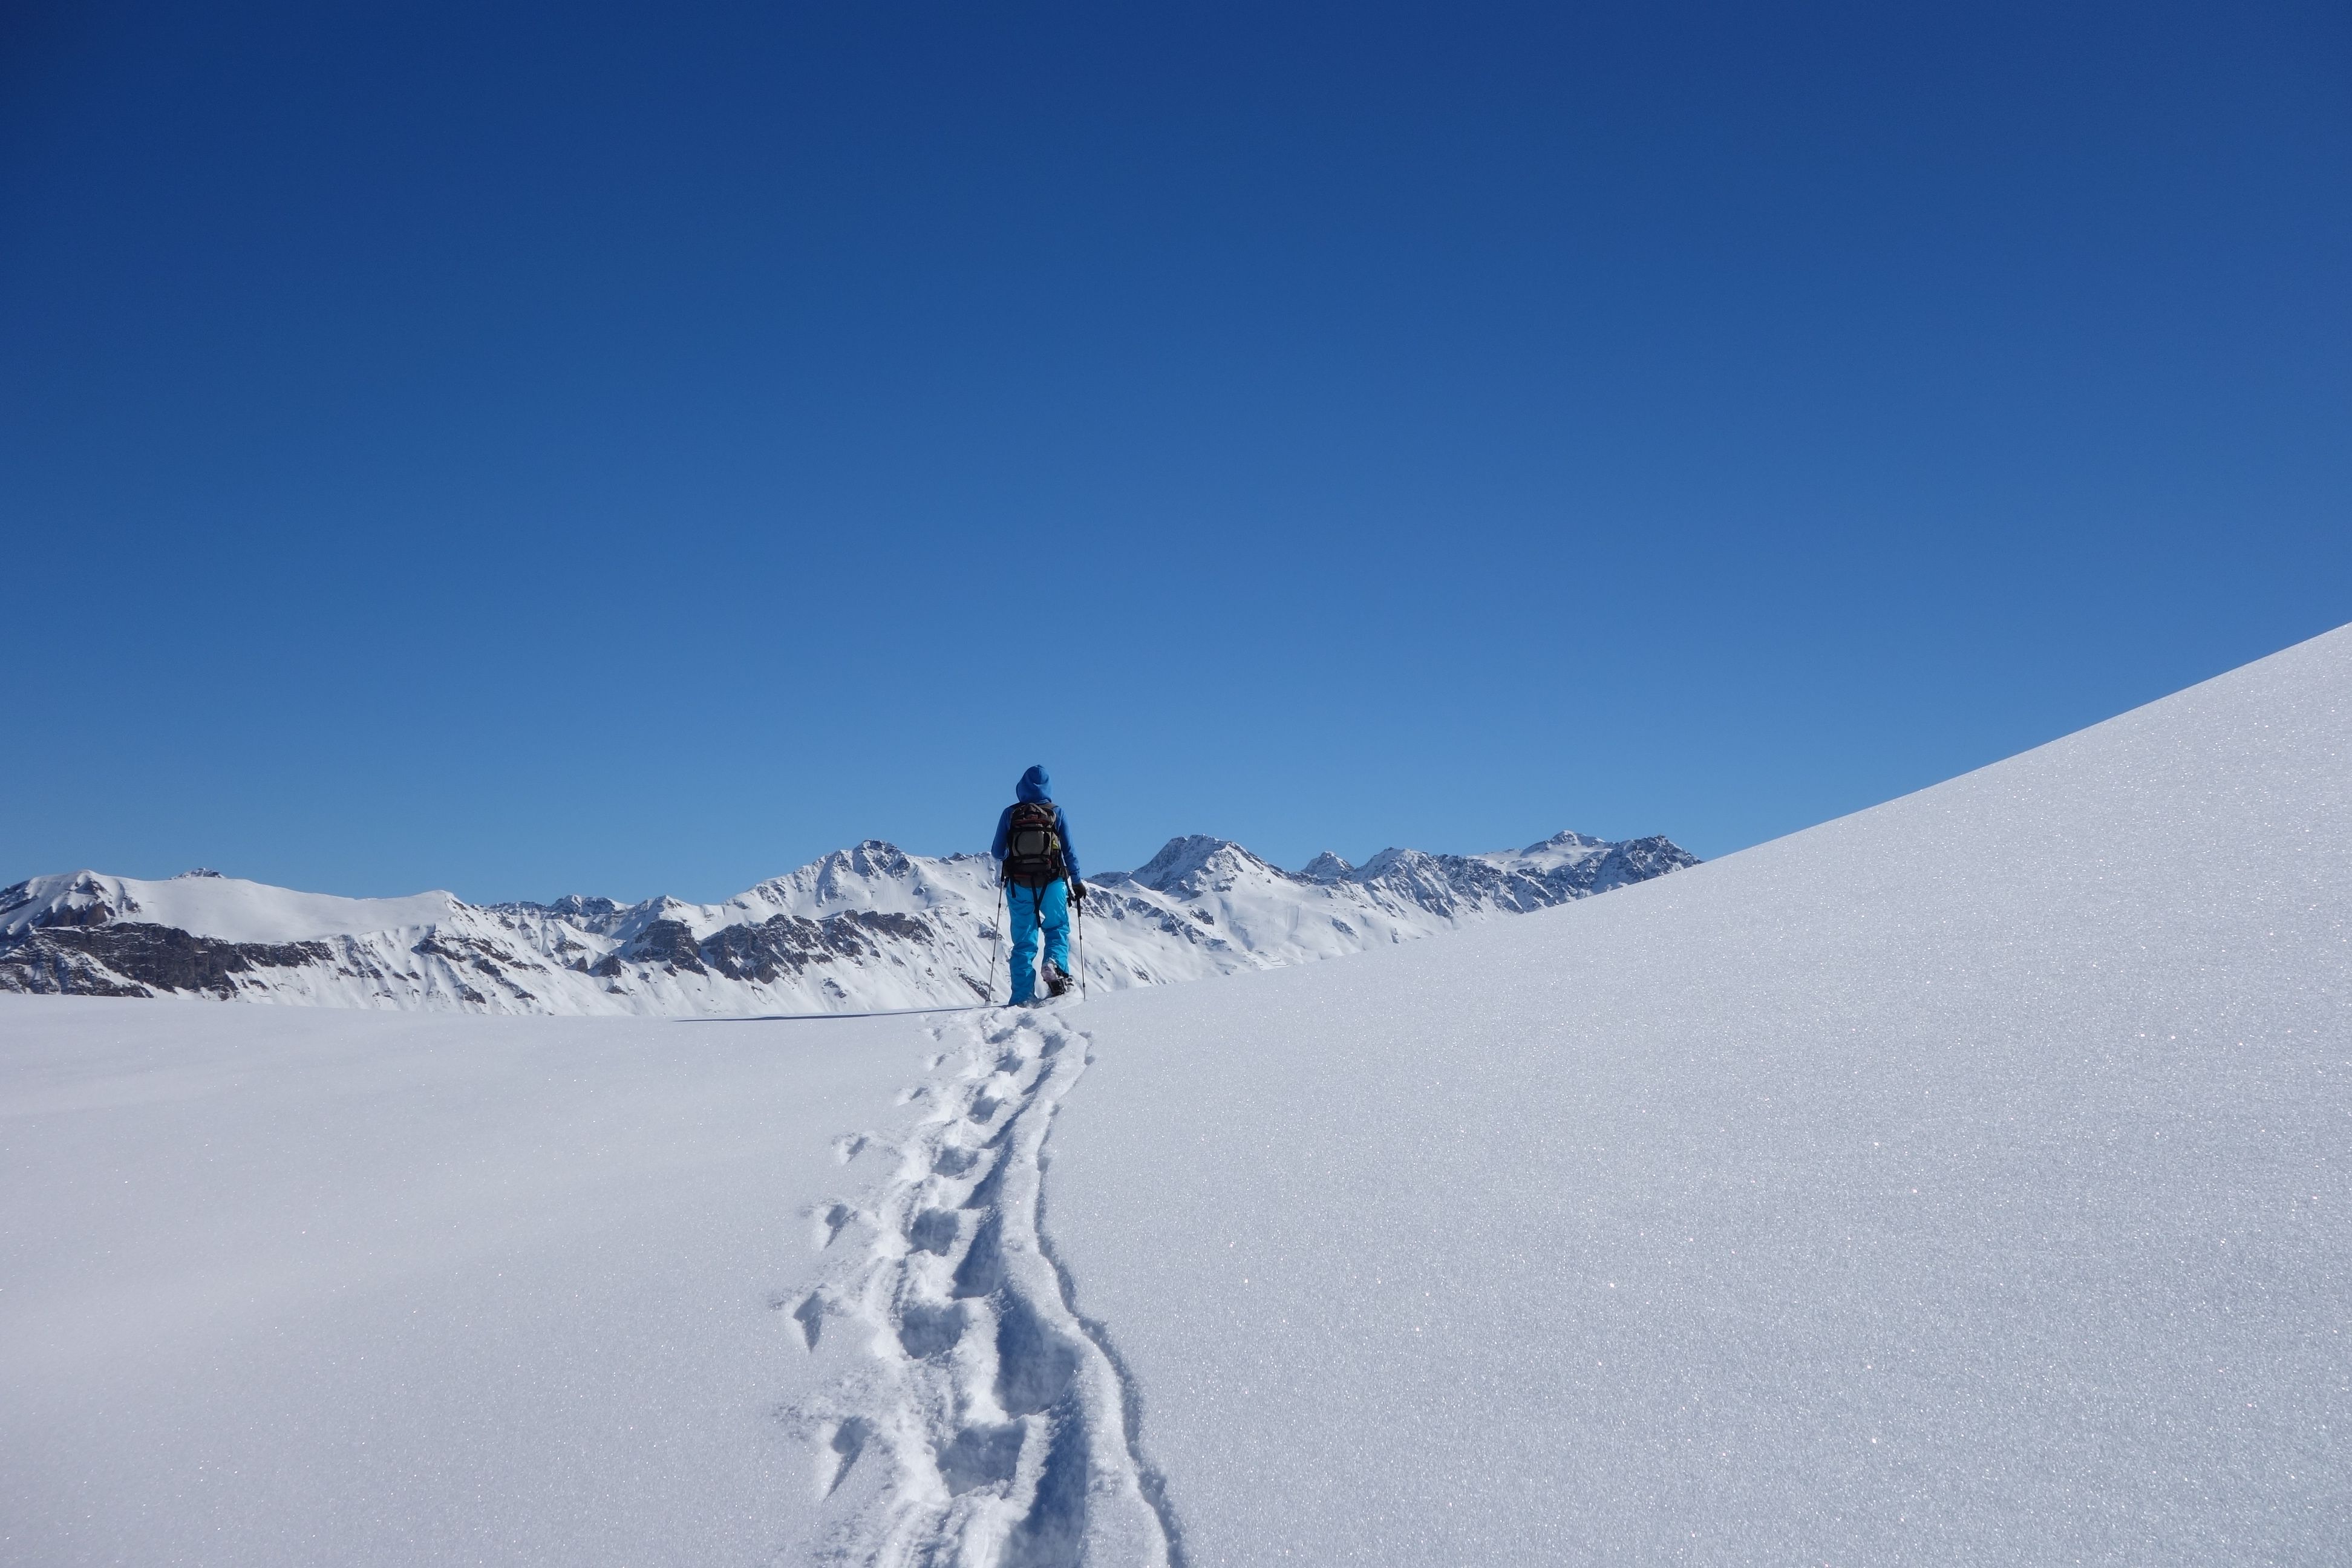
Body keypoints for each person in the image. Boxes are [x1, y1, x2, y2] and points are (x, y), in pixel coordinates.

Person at [991, 765, 1083, 1004]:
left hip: (1019, 883)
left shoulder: (1010, 814)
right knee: (1057, 929)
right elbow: (1070, 851)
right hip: (1053, 882)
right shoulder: (1056, 812)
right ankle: (1054, 967)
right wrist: (1077, 881)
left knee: (1024, 941)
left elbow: (997, 852)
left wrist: (1014, 854)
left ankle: (1022, 997)